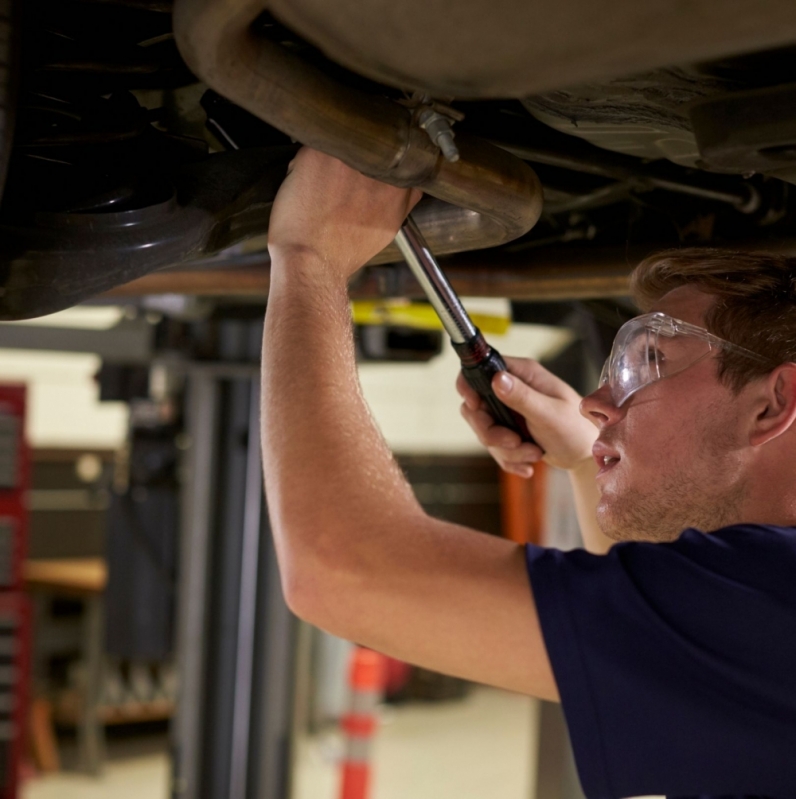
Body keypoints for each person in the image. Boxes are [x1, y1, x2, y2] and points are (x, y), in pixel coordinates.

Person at [262, 147, 796, 798]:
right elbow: (651, 618)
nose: (598, 403)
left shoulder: (767, 607)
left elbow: (340, 569)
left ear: (771, 404)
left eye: (646, 360)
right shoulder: (761, 606)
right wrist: (582, 455)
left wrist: (309, 260)